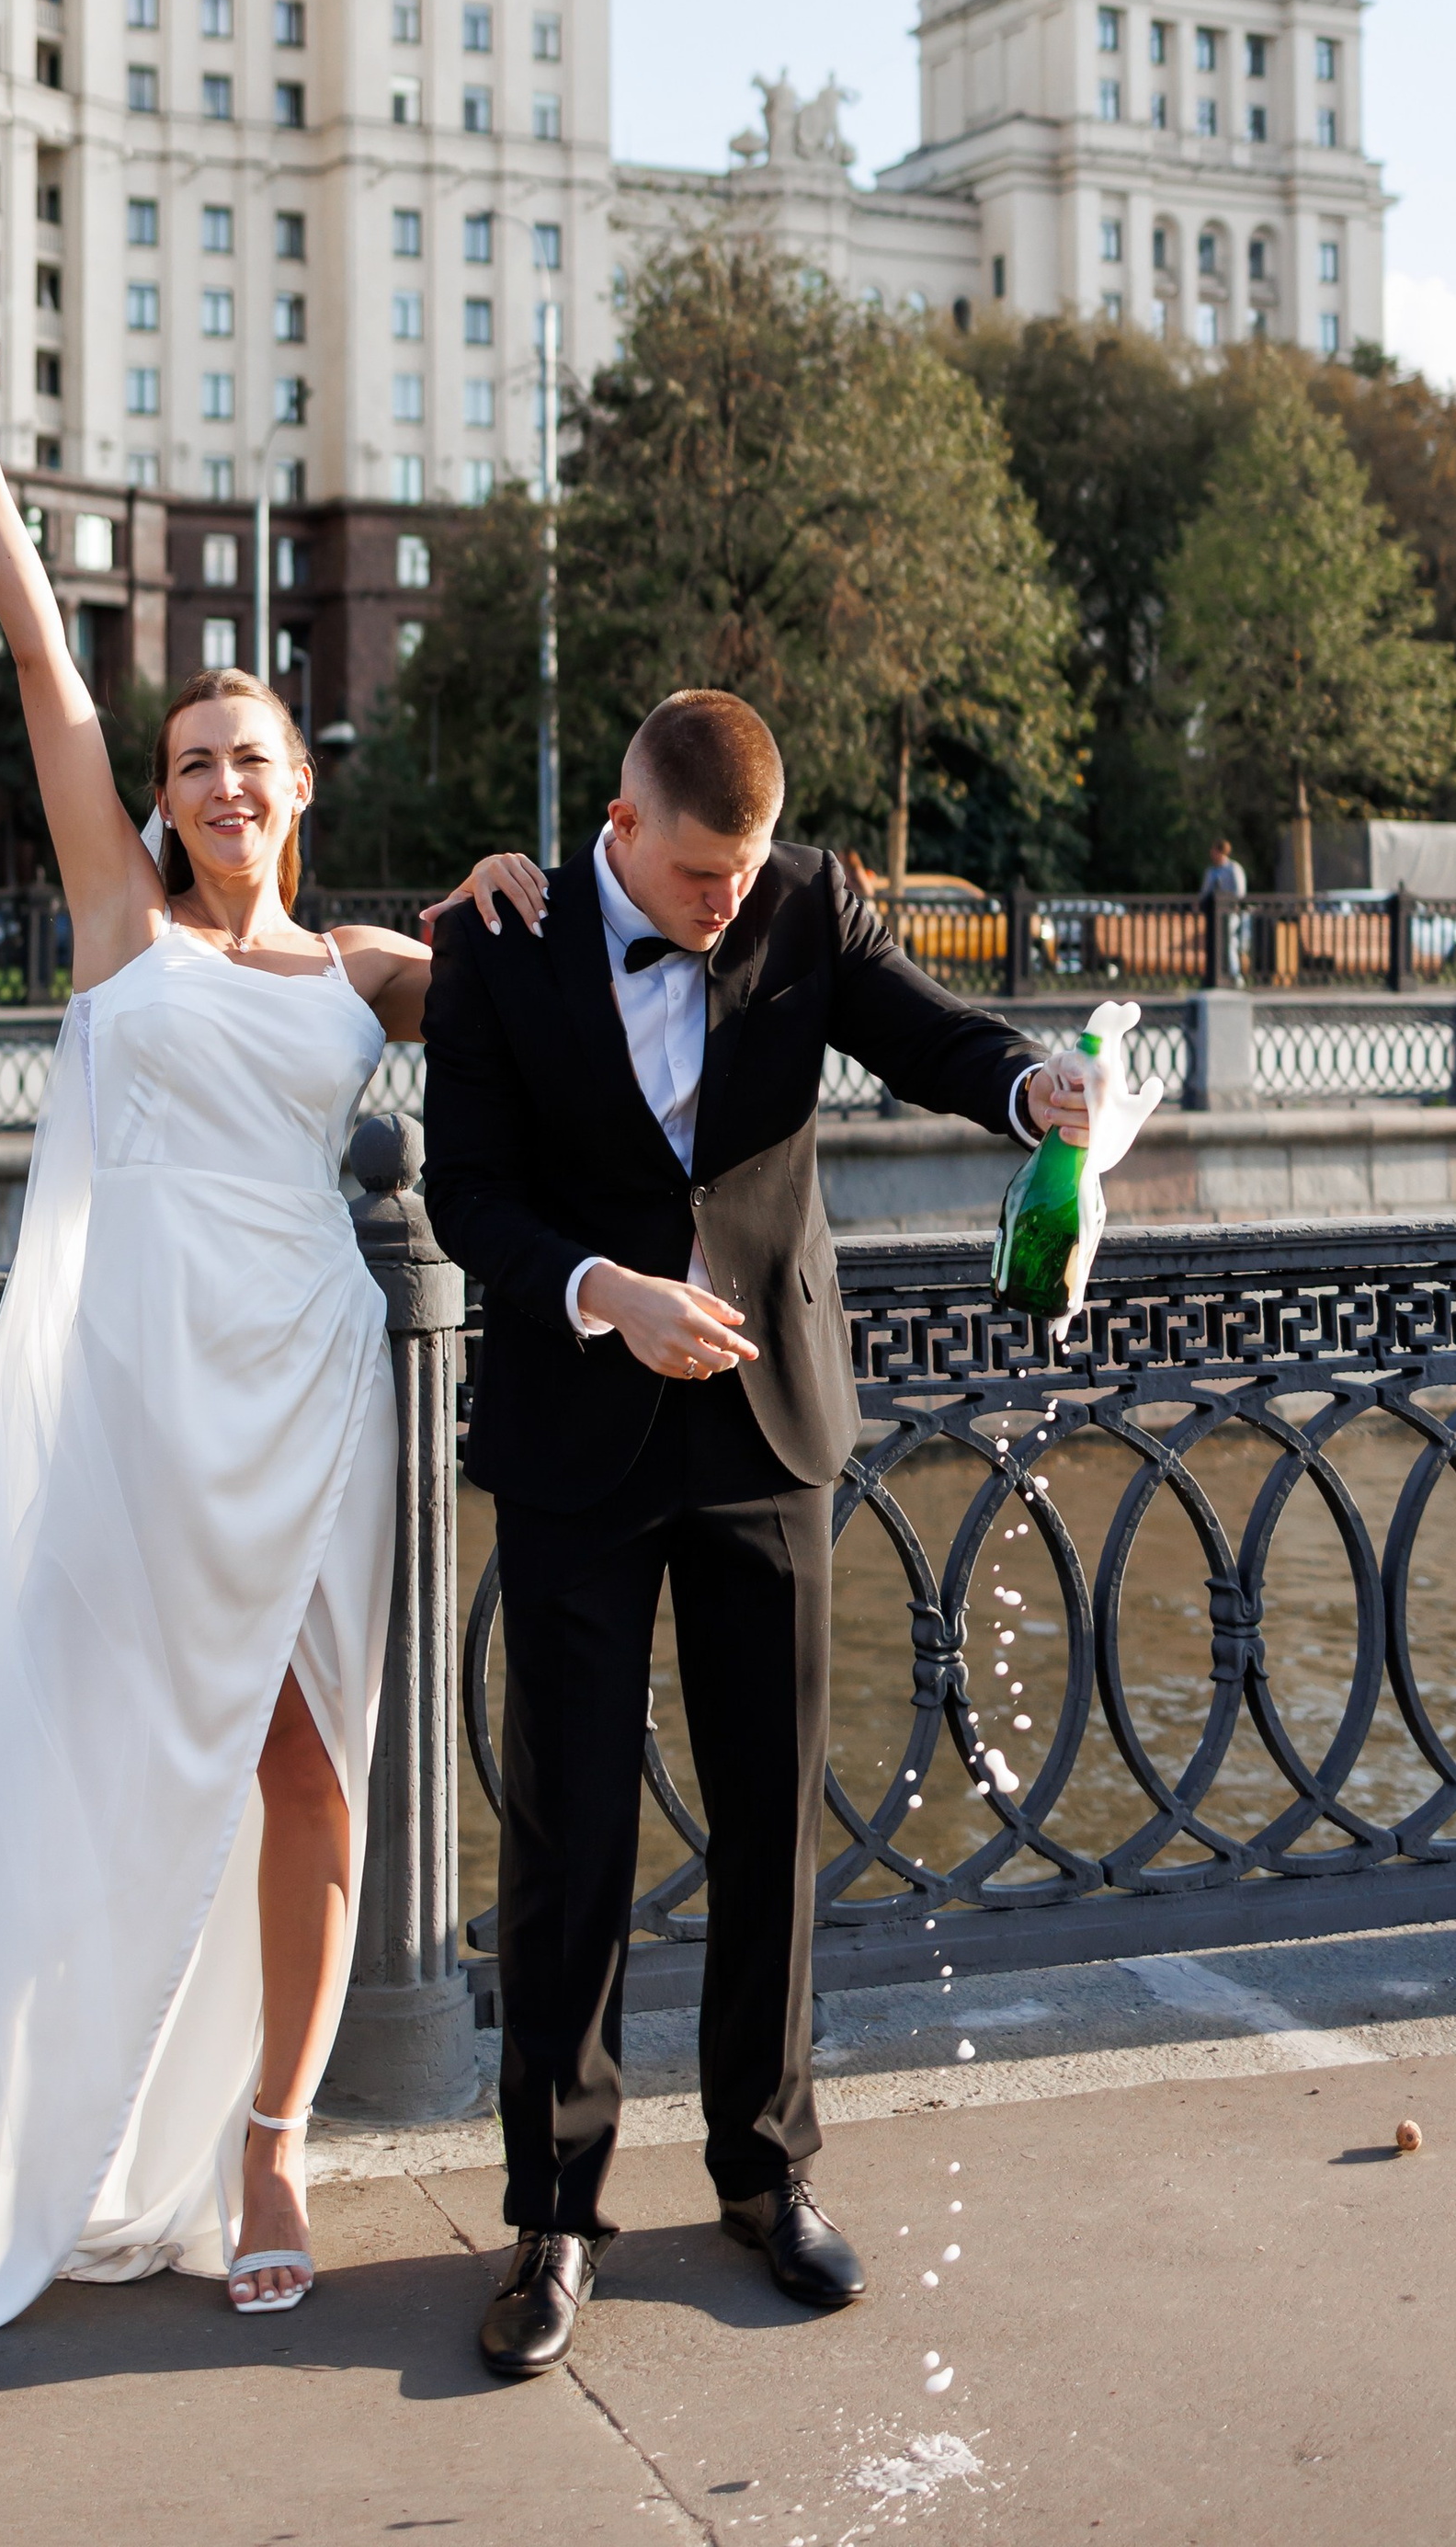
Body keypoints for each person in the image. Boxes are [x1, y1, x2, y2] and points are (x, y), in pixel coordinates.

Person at [0, 325, 537, 2336]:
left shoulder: (362, 967)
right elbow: (39, 655)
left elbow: (562, 993)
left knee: (311, 1779)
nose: (221, 784)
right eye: (191, 764)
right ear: (156, 800)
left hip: (313, 1394)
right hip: (137, 1411)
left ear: (304, 786)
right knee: (70, 1767)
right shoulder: (119, 928)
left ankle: (269, 2140)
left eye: (254, 759)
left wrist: (530, 885)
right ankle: (14, 2131)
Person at [420, 691, 1119, 2381]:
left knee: (769, 1822)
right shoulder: (497, 941)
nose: (726, 904)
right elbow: (469, 1197)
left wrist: (1031, 1088)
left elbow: (925, 1033)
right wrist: (604, 1297)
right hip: (580, 1433)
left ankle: (765, 2170)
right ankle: (556, 2214)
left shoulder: (806, 898)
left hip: (768, 1428)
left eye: (744, 873)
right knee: (571, 1842)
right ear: (620, 822)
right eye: (697, 874)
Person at [1199, 834, 1248, 979]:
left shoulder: (1233, 869)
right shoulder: (1211, 871)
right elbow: (1204, 892)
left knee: (1228, 942)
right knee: (1216, 943)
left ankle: (1234, 975)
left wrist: (1227, 900)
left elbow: (1240, 892)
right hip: (1214, 914)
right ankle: (1217, 975)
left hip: (1230, 912)